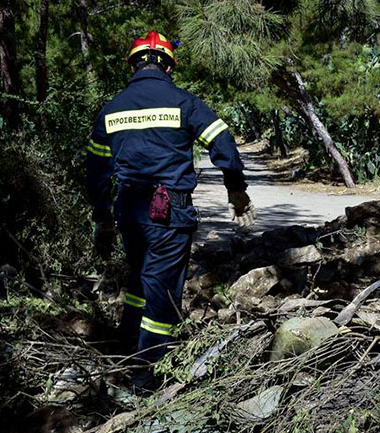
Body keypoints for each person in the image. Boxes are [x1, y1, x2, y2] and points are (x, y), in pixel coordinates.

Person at [84, 30, 256, 393]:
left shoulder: (112, 109)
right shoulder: (183, 102)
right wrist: (236, 190)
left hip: (128, 213)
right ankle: (145, 378)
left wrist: (102, 220)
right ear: (167, 64)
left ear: (133, 65)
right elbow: (222, 142)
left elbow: (96, 171)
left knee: (140, 281)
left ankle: (127, 345)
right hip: (168, 214)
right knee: (161, 295)